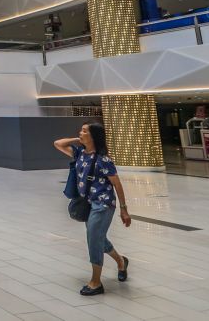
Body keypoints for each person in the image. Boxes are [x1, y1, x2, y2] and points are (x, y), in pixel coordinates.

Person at [54, 123, 132, 296]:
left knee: (93, 239)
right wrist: (79, 139)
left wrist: (124, 209)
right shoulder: (79, 153)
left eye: (84, 131)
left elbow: (117, 184)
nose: (80, 133)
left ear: (94, 136)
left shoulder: (104, 160)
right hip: (89, 203)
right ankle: (121, 262)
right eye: (80, 130)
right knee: (99, 238)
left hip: (103, 205)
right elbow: (58, 143)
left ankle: (96, 282)